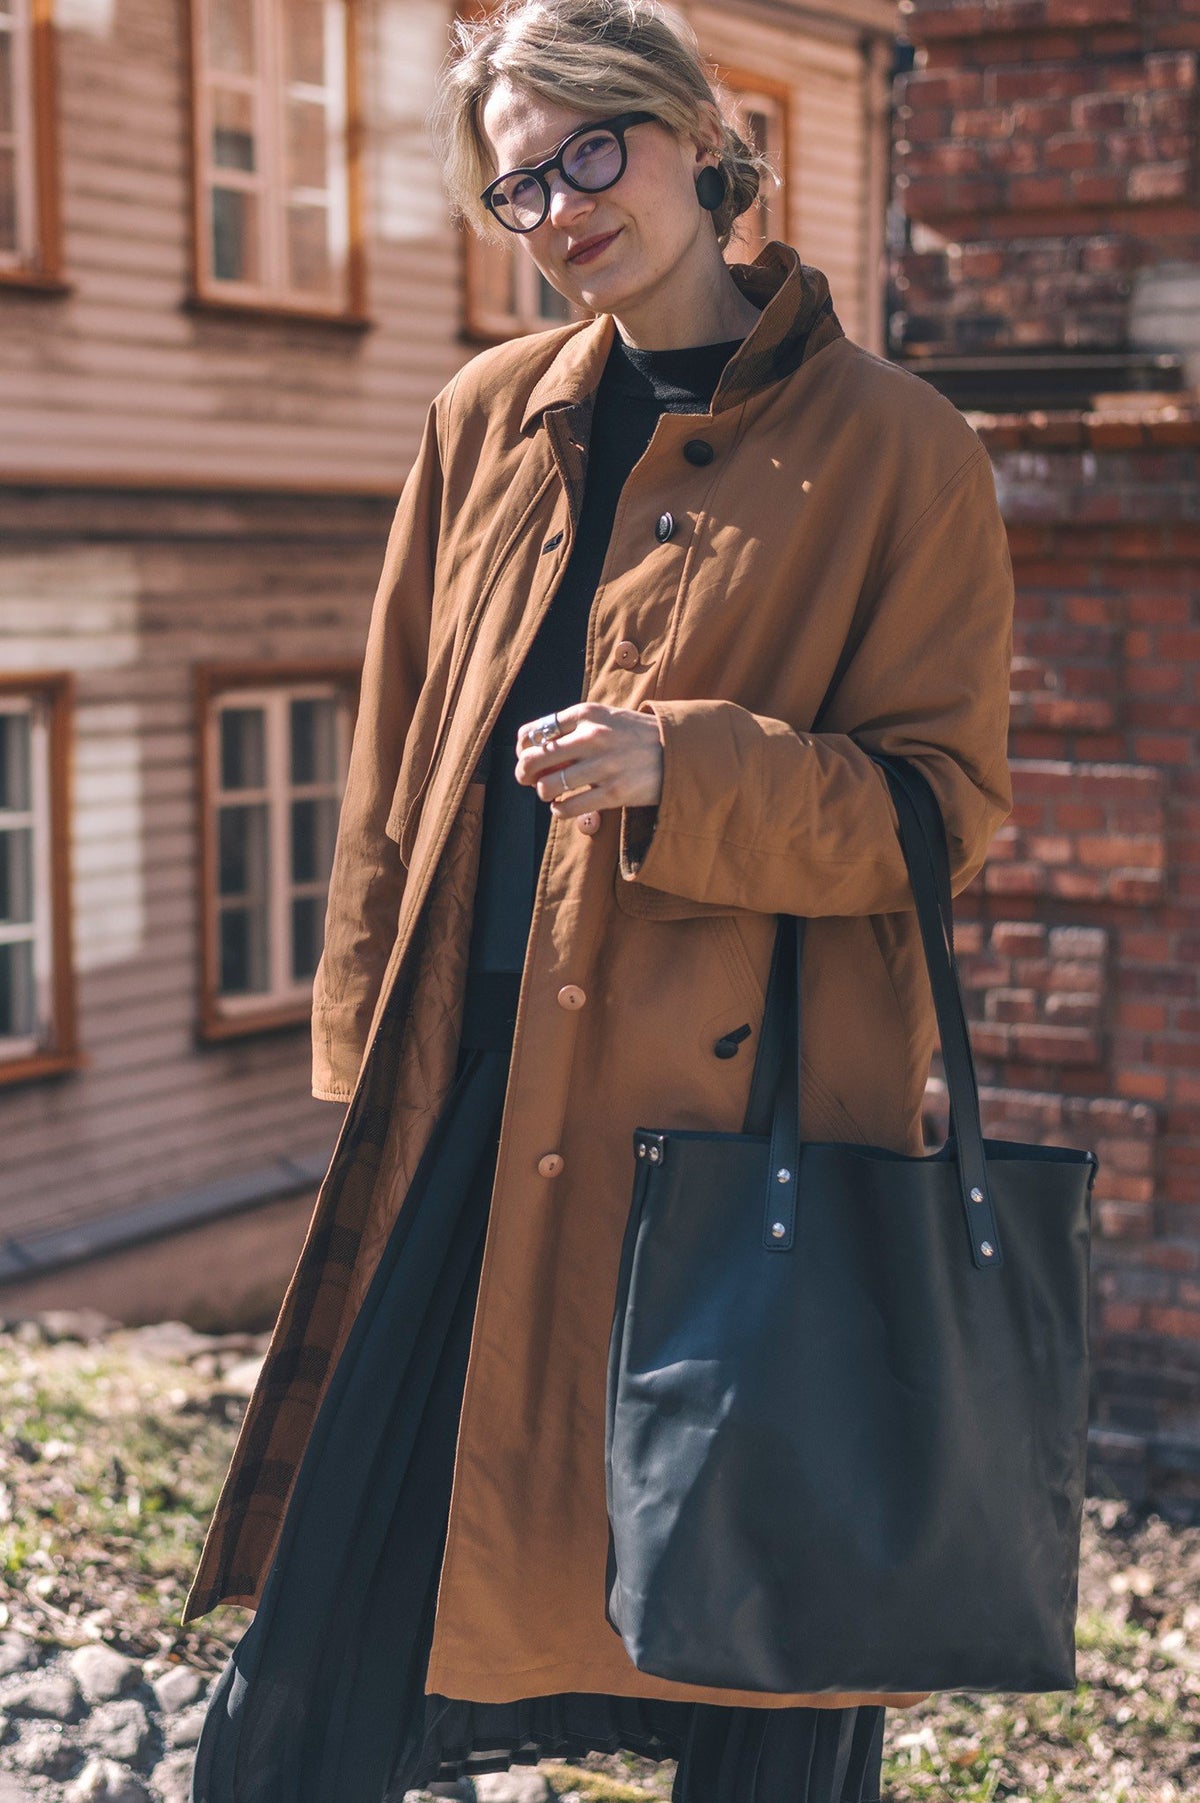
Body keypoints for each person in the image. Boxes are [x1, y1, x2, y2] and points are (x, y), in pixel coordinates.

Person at [185, 3, 1015, 1801]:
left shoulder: (902, 448)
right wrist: (364, 1058)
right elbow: (395, 765)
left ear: (699, 139)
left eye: (590, 153)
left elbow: (940, 814)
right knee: (330, 1617)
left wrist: (686, 770)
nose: (560, 209)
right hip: (480, 1092)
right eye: (518, 186)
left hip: (759, 1118)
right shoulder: (484, 418)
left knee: (761, 1628)